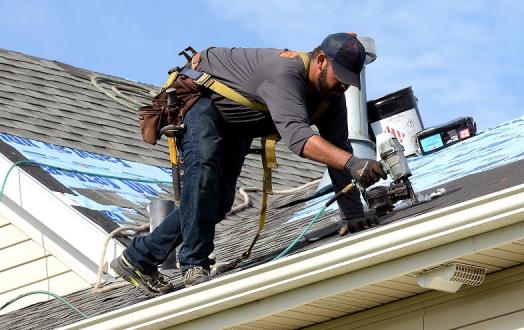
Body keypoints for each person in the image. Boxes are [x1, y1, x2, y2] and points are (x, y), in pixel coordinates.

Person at [111, 33, 387, 296]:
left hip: (239, 122)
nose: (343, 86)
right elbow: (299, 138)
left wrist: (353, 214)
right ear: (321, 60)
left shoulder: (330, 100)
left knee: (218, 203)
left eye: (349, 82)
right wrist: (355, 164)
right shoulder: (285, 73)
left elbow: (338, 153)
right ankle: (195, 263)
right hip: (204, 101)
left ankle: (138, 258)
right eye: (340, 77)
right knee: (204, 172)